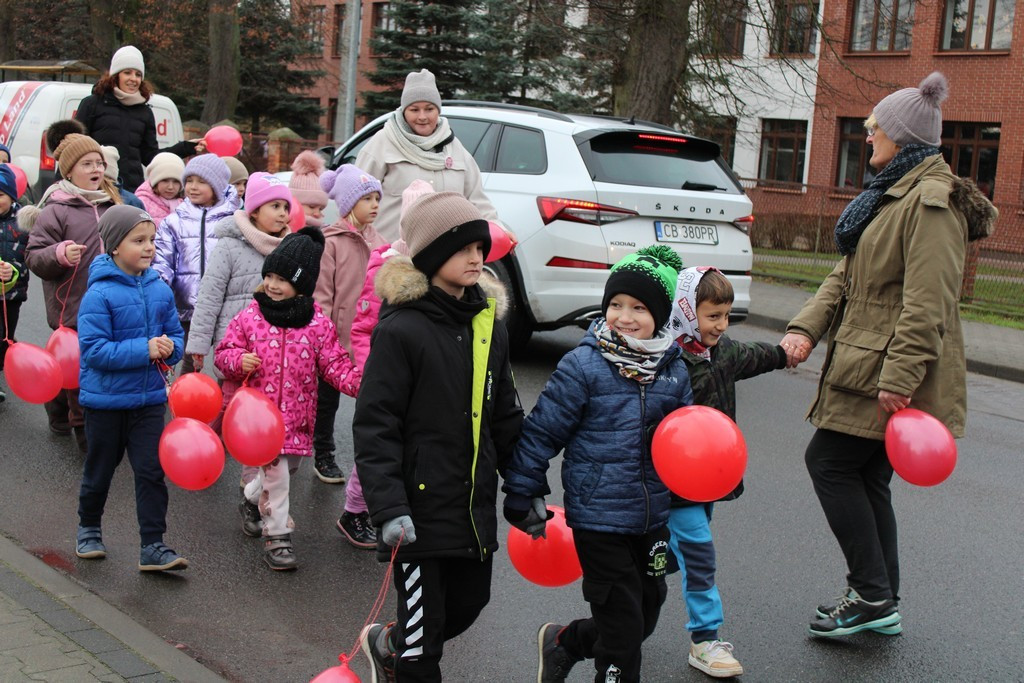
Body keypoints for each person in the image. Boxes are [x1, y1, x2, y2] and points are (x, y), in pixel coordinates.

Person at [780, 72, 996, 638]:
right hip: (864, 360)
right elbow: (845, 276)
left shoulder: (929, 205)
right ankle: (881, 596)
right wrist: (805, 328)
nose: (868, 134)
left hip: (883, 370)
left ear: (902, 137)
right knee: (867, 476)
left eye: (876, 127)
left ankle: (872, 595)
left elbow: (929, 307)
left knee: (828, 463)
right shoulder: (886, 196)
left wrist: (899, 378)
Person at [353, 192, 523, 681]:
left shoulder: (487, 323)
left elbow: (505, 412)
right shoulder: (402, 329)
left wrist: (525, 485)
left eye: (480, 247)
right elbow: (375, 423)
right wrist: (387, 507)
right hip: (417, 511)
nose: (477, 257)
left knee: (469, 603)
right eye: (464, 248)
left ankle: (388, 643)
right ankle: (403, 653)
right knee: (423, 651)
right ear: (430, 256)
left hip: (470, 506)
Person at [502, 245, 692, 683]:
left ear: (660, 316)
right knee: (623, 626)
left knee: (645, 611)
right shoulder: (583, 366)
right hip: (599, 517)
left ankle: (564, 643)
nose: (624, 316)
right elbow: (543, 431)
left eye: (639, 308)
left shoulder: (673, 369)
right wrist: (522, 490)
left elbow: (685, 441)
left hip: (651, 518)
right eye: (615, 305)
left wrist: (685, 496)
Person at [665, 266, 789, 678]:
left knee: (663, 562)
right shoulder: (668, 360)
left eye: (726, 315)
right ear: (685, 310)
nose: (721, 325)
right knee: (699, 554)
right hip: (672, 487)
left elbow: (755, 355)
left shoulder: (723, 352)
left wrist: (787, 353)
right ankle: (705, 640)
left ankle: (609, 626)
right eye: (712, 315)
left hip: (706, 486)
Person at [214, 228, 361, 570]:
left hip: (297, 420)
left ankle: (252, 500)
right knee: (277, 479)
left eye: (283, 279)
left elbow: (334, 364)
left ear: (303, 285)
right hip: (259, 423)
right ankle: (277, 536)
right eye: (269, 276)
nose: (273, 285)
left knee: (281, 474)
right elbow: (224, 353)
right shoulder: (251, 316)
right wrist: (239, 360)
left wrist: (361, 384)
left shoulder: (316, 325)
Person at [75, 205, 188, 571]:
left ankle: (153, 545)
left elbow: (175, 335)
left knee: (151, 471)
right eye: (138, 240)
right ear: (113, 247)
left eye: (151, 240)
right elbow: (94, 352)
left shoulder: (160, 289)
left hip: (148, 401)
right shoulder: (99, 295)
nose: (148, 247)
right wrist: (146, 349)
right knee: (100, 469)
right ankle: (89, 528)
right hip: (106, 403)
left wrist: (172, 348)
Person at [187, 172, 291, 504]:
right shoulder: (229, 246)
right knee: (222, 410)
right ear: (255, 210)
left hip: (271, 354)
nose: (283, 214)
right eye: (275, 206)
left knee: (255, 419)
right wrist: (199, 346)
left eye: (286, 207)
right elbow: (209, 297)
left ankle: (251, 489)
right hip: (232, 349)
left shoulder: (290, 248)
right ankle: (199, 453)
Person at [337, 181, 429, 549]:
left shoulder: (438, 269)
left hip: (420, 376)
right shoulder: (387, 266)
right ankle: (354, 511)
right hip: (385, 375)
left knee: (414, 444)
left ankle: (398, 507)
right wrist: (367, 369)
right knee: (382, 445)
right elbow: (362, 327)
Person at [23, 130, 123, 451]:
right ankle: (83, 431)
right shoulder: (57, 209)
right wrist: (60, 254)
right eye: (87, 163)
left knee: (94, 365)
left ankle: (60, 403)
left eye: (99, 163)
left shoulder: (114, 205)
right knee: (76, 368)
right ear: (68, 172)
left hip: (111, 304)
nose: (96, 169)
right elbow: (34, 256)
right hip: (72, 306)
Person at [354, 68, 498, 242]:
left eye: (429, 109)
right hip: (390, 258)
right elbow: (356, 200)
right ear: (404, 111)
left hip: (441, 258)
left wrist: (497, 229)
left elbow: (477, 201)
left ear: (438, 110)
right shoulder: (382, 144)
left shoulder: (455, 148)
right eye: (414, 110)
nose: (422, 117)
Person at [311, 164, 385, 485]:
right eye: (367, 198)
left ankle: (364, 461)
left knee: (369, 404)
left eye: (376, 199)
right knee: (326, 402)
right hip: (336, 341)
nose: (375, 205)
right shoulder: (331, 243)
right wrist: (325, 340)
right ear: (347, 203)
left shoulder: (382, 243)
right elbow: (322, 295)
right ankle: (323, 452)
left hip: (370, 341)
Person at [153, 153, 239, 374]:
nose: (193, 187)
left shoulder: (234, 220)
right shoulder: (174, 222)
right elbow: (162, 259)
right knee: (188, 361)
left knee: (228, 362)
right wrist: (160, 287)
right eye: (189, 181)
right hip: (186, 307)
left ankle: (228, 405)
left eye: (201, 181)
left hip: (224, 307)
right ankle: (183, 404)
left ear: (217, 186)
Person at [75, 45, 200, 192]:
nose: (133, 79)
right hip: (98, 187)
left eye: (138, 74)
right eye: (127, 73)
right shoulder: (92, 104)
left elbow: (151, 157)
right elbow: (75, 148)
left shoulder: (145, 112)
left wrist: (186, 147)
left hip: (131, 190)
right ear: (116, 76)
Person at [0, 165, 28, 403]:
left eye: (0, 195)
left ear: (11, 195)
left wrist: (15, 271)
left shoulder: (24, 222)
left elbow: (34, 259)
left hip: (12, 296)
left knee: (5, 338)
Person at [134, 152, 184, 225]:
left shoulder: (185, 204)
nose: (170, 187)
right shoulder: (142, 203)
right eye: (165, 181)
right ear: (155, 182)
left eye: (176, 182)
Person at [288, 151, 329, 229]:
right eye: (312, 207)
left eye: (320, 209)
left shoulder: (325, 232)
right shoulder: (283, 232)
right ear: (294, 205)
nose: (317, 213)